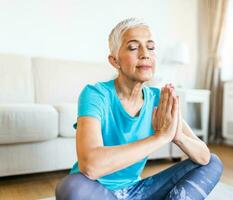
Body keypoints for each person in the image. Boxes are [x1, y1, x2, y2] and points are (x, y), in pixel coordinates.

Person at [55, 18, 223, 200]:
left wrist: (177, 136)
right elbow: (90, 166)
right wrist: (159, 138)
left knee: (212, 162)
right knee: (71, 187)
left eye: (150, 48)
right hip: (95, 190)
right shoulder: (96, 94)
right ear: (115, 61)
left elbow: (204, 156)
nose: (145, 54)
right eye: (133, 48)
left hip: (137, 191)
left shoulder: (159, 98)